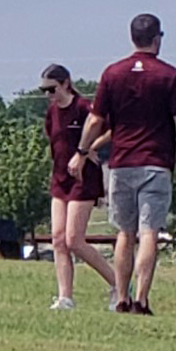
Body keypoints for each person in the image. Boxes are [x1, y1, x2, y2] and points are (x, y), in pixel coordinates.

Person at [74, 14, 176, 315]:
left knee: (124, 232)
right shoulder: (169, 76)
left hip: (121, 163)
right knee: (149, 231)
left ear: (132, 37)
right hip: (156, 163)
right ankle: (142, 300)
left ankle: (121, 297)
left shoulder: (112, 73)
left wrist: (81, 151)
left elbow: (96, 120)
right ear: (157, 38)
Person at [40, 64, 119, 311]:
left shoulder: (84, 108)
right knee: (58, 239)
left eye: (51, 89)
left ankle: (119, 284)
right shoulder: (52, 112)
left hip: (84, 180)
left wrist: (89, 151)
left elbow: (111, 128)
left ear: (65, 83)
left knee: (74, 239)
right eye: (43, 90)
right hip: (60, 178)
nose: (48, 95)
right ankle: (65, 297)